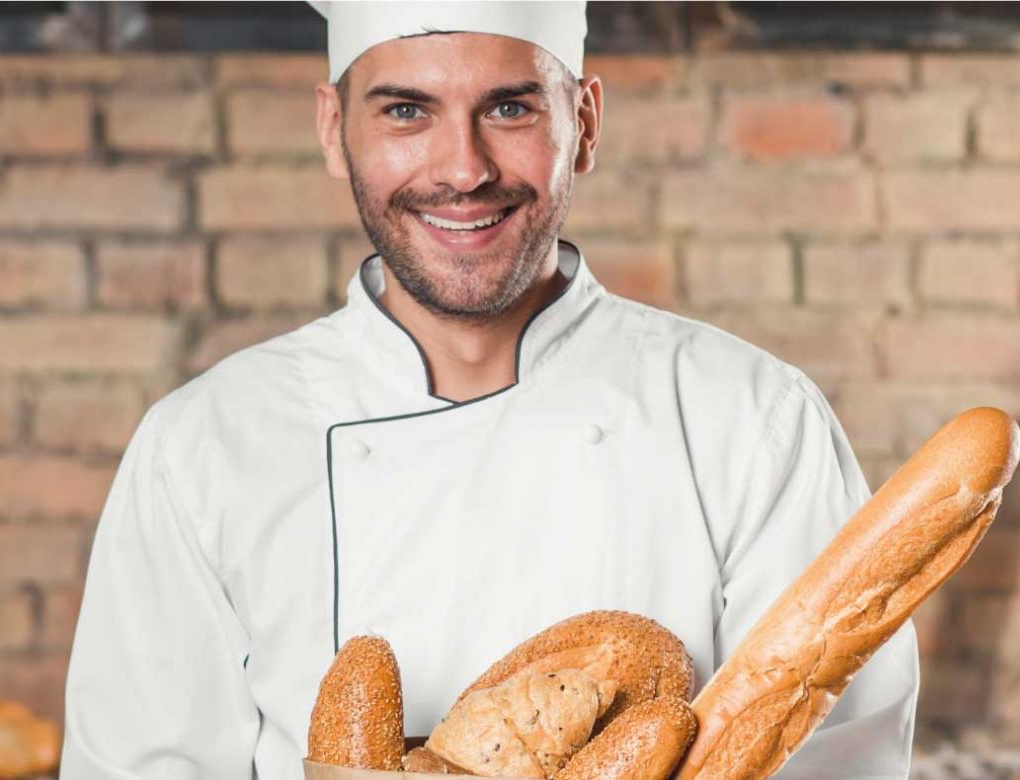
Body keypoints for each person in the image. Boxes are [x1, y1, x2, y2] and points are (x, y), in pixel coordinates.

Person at [58, 3, 918, 778]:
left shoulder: (751, 420)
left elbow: (836, 757)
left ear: (582, 123)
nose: (463, 170)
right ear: (332, 129)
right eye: (406, 111)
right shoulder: (204, 444)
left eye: (510, 107)